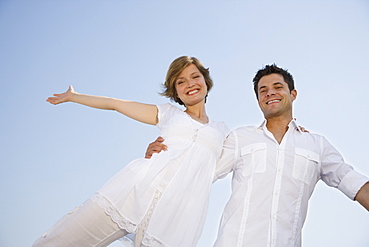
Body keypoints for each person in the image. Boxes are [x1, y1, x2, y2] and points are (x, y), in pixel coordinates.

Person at [145, 64, 369, 246]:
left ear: (293, 94)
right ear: (258, 100)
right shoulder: (241, 138)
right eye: (263, 90)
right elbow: (197, 170)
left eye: (277, 87)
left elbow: (354, 183)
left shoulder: (317, 145)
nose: (270, 92)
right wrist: (162, 154)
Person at [33, 56, 229, 247]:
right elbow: (116, 104)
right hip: (132, 190)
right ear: (175, 92)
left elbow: (241, 156)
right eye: (181, 81)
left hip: (173, 215)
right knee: (63, 239)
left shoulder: (222, 132)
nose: (190, 84)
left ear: (205, 80)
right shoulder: (169, 113)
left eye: (195, 77)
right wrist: (74, 97)